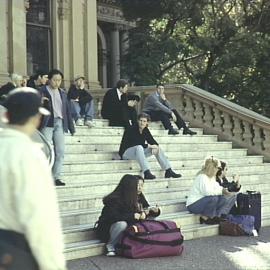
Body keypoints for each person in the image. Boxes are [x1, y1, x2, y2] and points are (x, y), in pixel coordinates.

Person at [0, 88, 66, 270]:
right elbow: (39, 217)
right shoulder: (29, 155)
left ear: (6, 115)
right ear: (37, 118)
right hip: (15, 249)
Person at [95, 174, 160, 256]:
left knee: (152, 220)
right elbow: (112, 217)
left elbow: (146, 209)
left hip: (129, 225)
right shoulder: (115, 199)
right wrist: (133, 216)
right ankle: (110, 246)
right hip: (108, 229)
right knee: (122, 224)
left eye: (141, 185)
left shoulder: (138, 196)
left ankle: (147, 243)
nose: (139, 188)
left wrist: (154, 211)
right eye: (136, 186)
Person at [119, 113, 182, 180]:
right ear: (138, 121)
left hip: (138, 153)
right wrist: (149, 146)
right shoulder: (131, 128)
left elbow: (152, 141)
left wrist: (156, 147)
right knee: (139, 147)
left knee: (157, 148)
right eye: (140, 120)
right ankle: (146, 172)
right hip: (126, 153)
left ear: (147, 123)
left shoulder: (145, 130)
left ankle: (168, 170)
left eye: (144, 121)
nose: (142, 123)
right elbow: (135, 143)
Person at [39, 69, 75, 186]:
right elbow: (33, 105)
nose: (57, 82)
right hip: (47, 123)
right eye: (54, 80)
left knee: (60, 152)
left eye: (59, 80)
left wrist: (71, 127)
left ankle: (56, 177)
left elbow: (67, 111)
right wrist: (40, 101)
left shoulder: (63, 93)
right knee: (46, 151)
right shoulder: (41, 91)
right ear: (49, 80)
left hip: (59, 123)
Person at [186, 157, 234, 225]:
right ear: (213, 168)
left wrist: (223, 190)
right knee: (213, 198)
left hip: (202, 202)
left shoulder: (211, 177)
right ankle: (205, 217)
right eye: (218, 168)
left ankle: (216, 216)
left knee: (223, 198)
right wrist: (221, 191)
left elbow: (216, 187)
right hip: (193, 205)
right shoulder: (202, 177)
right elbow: (207, 192)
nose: (219, 170)